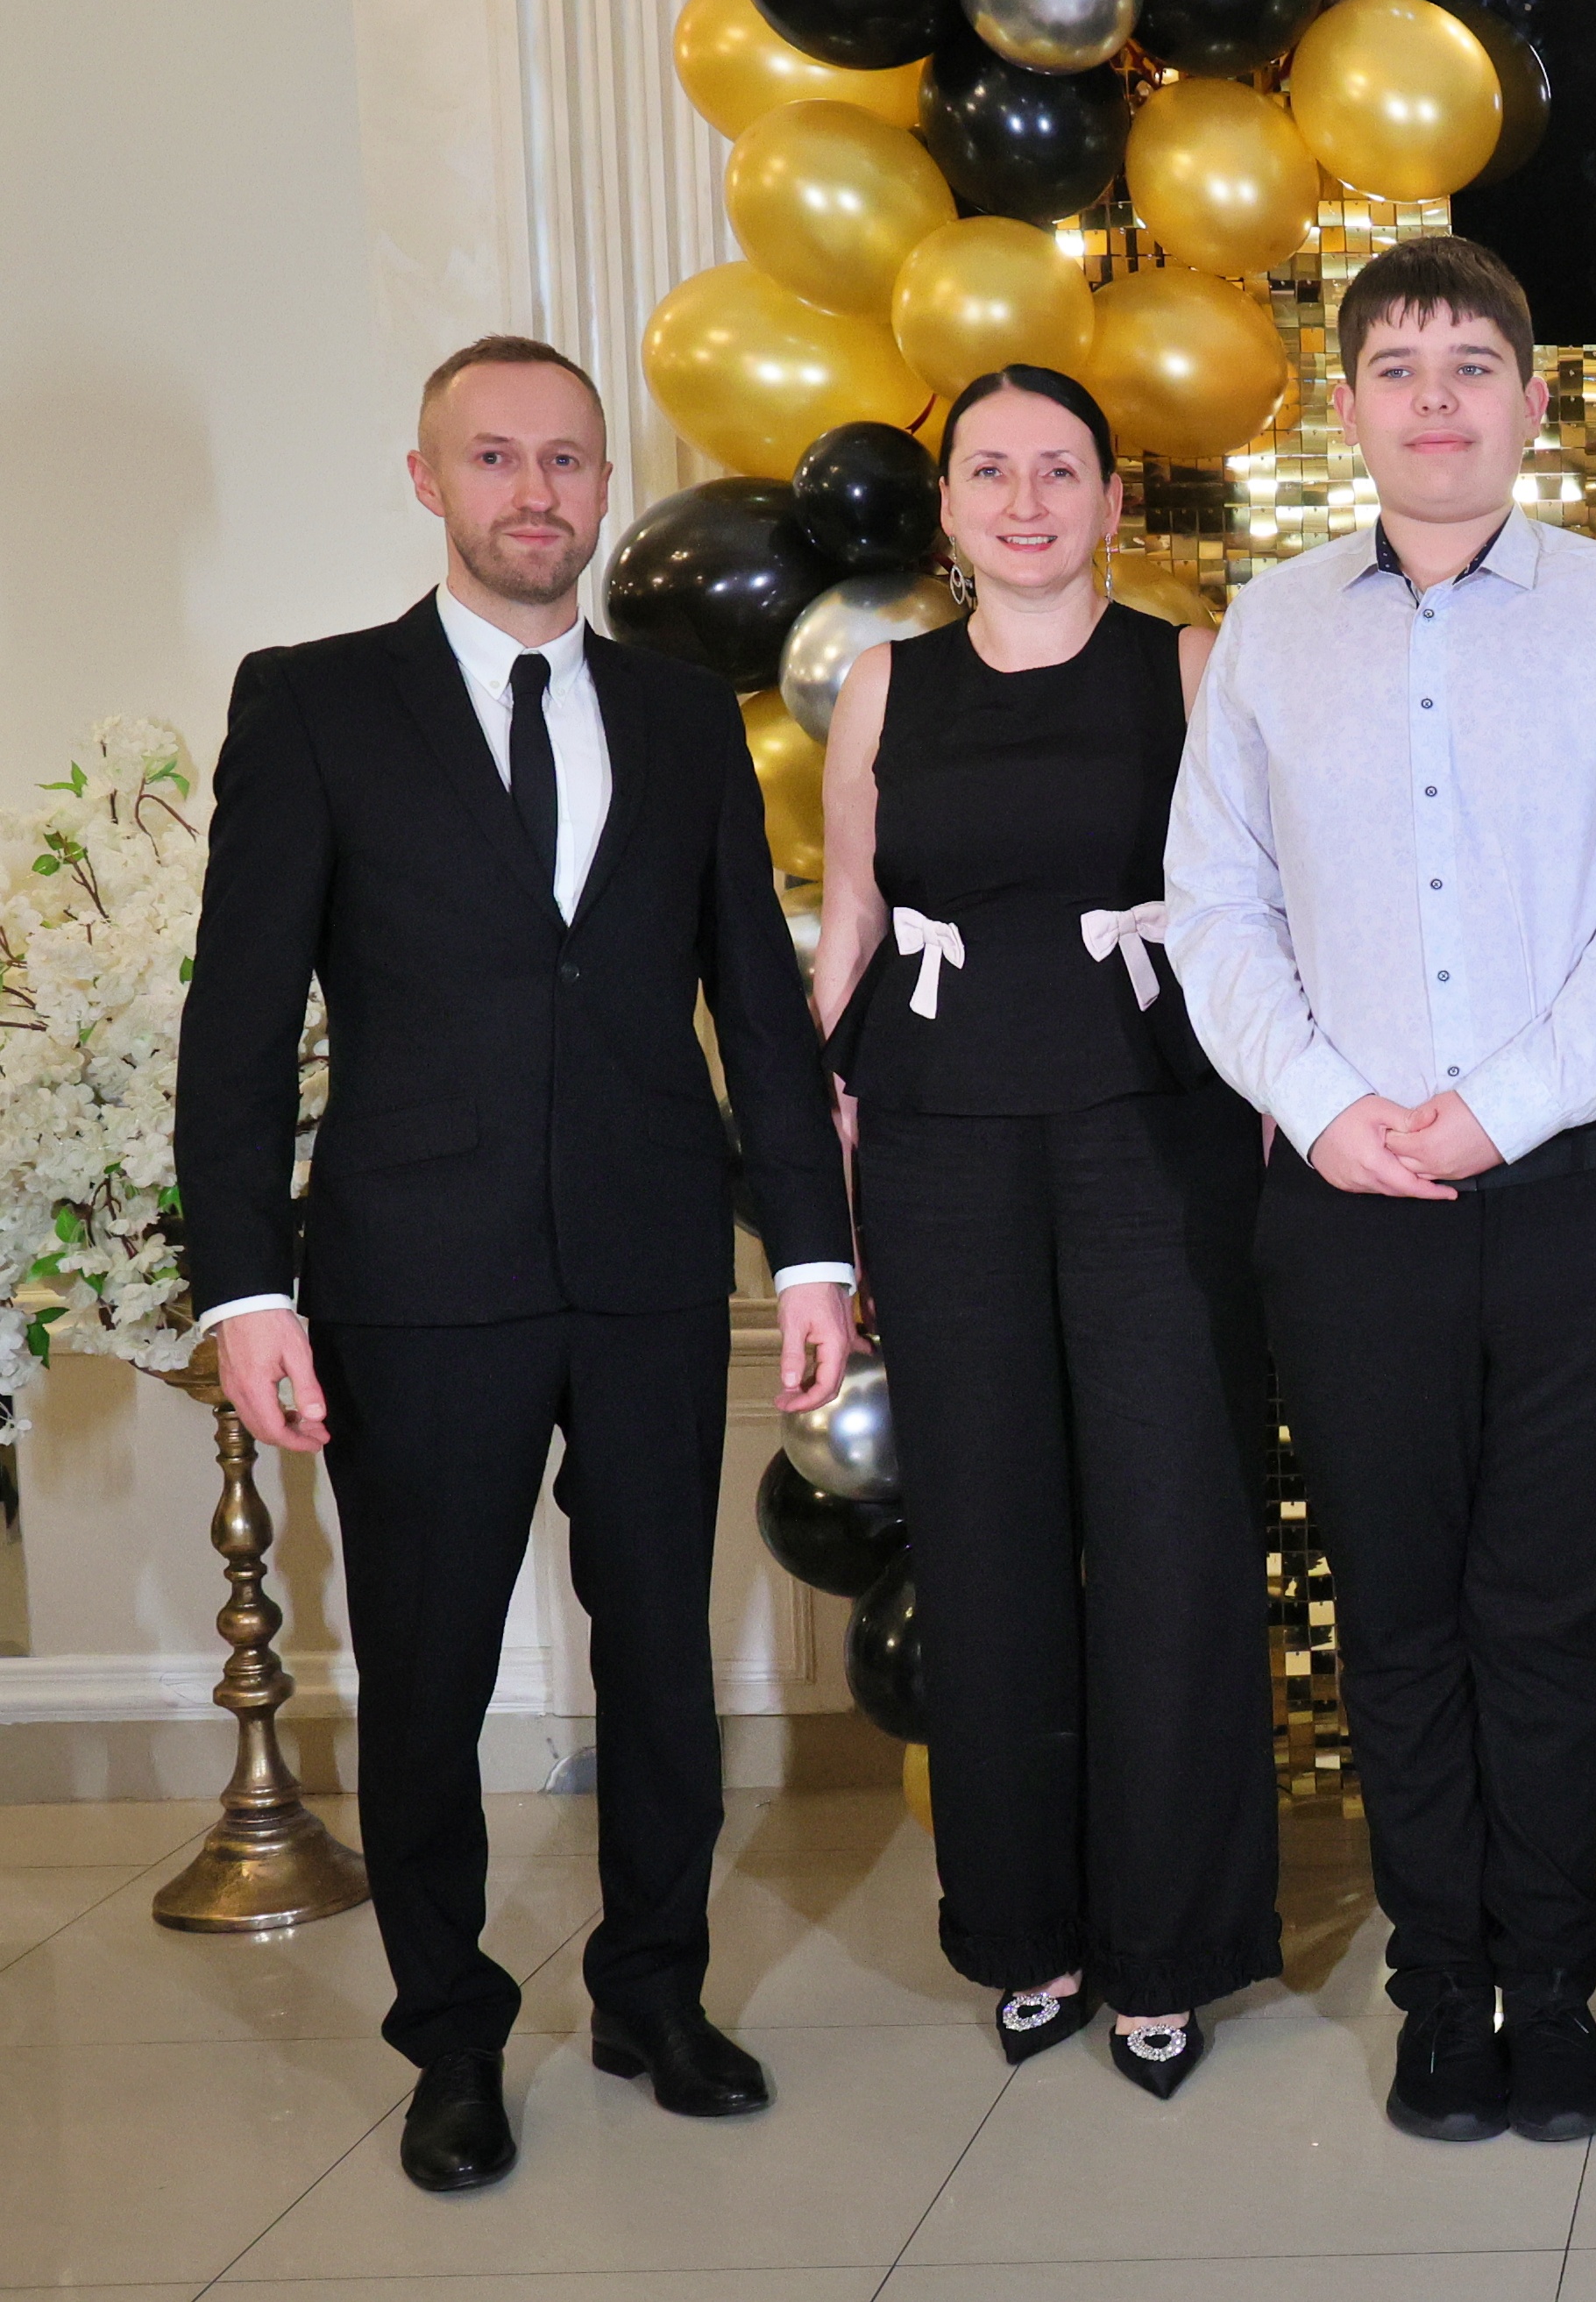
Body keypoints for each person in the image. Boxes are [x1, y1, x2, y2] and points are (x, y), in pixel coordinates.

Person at [175, 338, 859, 2192]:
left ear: (602, 483)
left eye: (566, 459)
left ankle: (654, 1990)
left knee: (662, 1657)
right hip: (412, 1276)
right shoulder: (316, 703)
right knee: (426, 1674)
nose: (534, 491)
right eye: (494, 458)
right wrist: (243, 1289)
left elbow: (757, 1006)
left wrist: (810, 1246)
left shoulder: (683, 715)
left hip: (649, 1263)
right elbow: (238, 1024)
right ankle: (453, 2037)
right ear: (429, 482)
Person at [1164, 236, 1596, 2145]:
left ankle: (1552, 1988)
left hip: (1589, 1189)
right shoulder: (1268, 628)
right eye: (1398, 368)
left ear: (1534, 399)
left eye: (1472, 364)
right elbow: (1213, 901)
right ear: (1345, 408)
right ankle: (1440, 1987)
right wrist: (1323, 1102)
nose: (1435, 399)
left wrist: (1500, 1107)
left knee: (1550, 1609)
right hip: (1348, 1202)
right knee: (1398, 1610)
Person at [811, 366, 1276, 2101]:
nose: (1024, 500)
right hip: (938, 1139)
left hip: (1156, 1130)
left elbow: (1255, 913)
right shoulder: (885, 683)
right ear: (945, 506)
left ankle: (1169, 1947)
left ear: (1109, 498)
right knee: (987, 1536)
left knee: (1172, 1529)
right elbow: (851, 916)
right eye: (989, 471)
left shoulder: (1188, 663)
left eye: (1058, 469)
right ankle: (1030, 1931)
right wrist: (820, 1161)